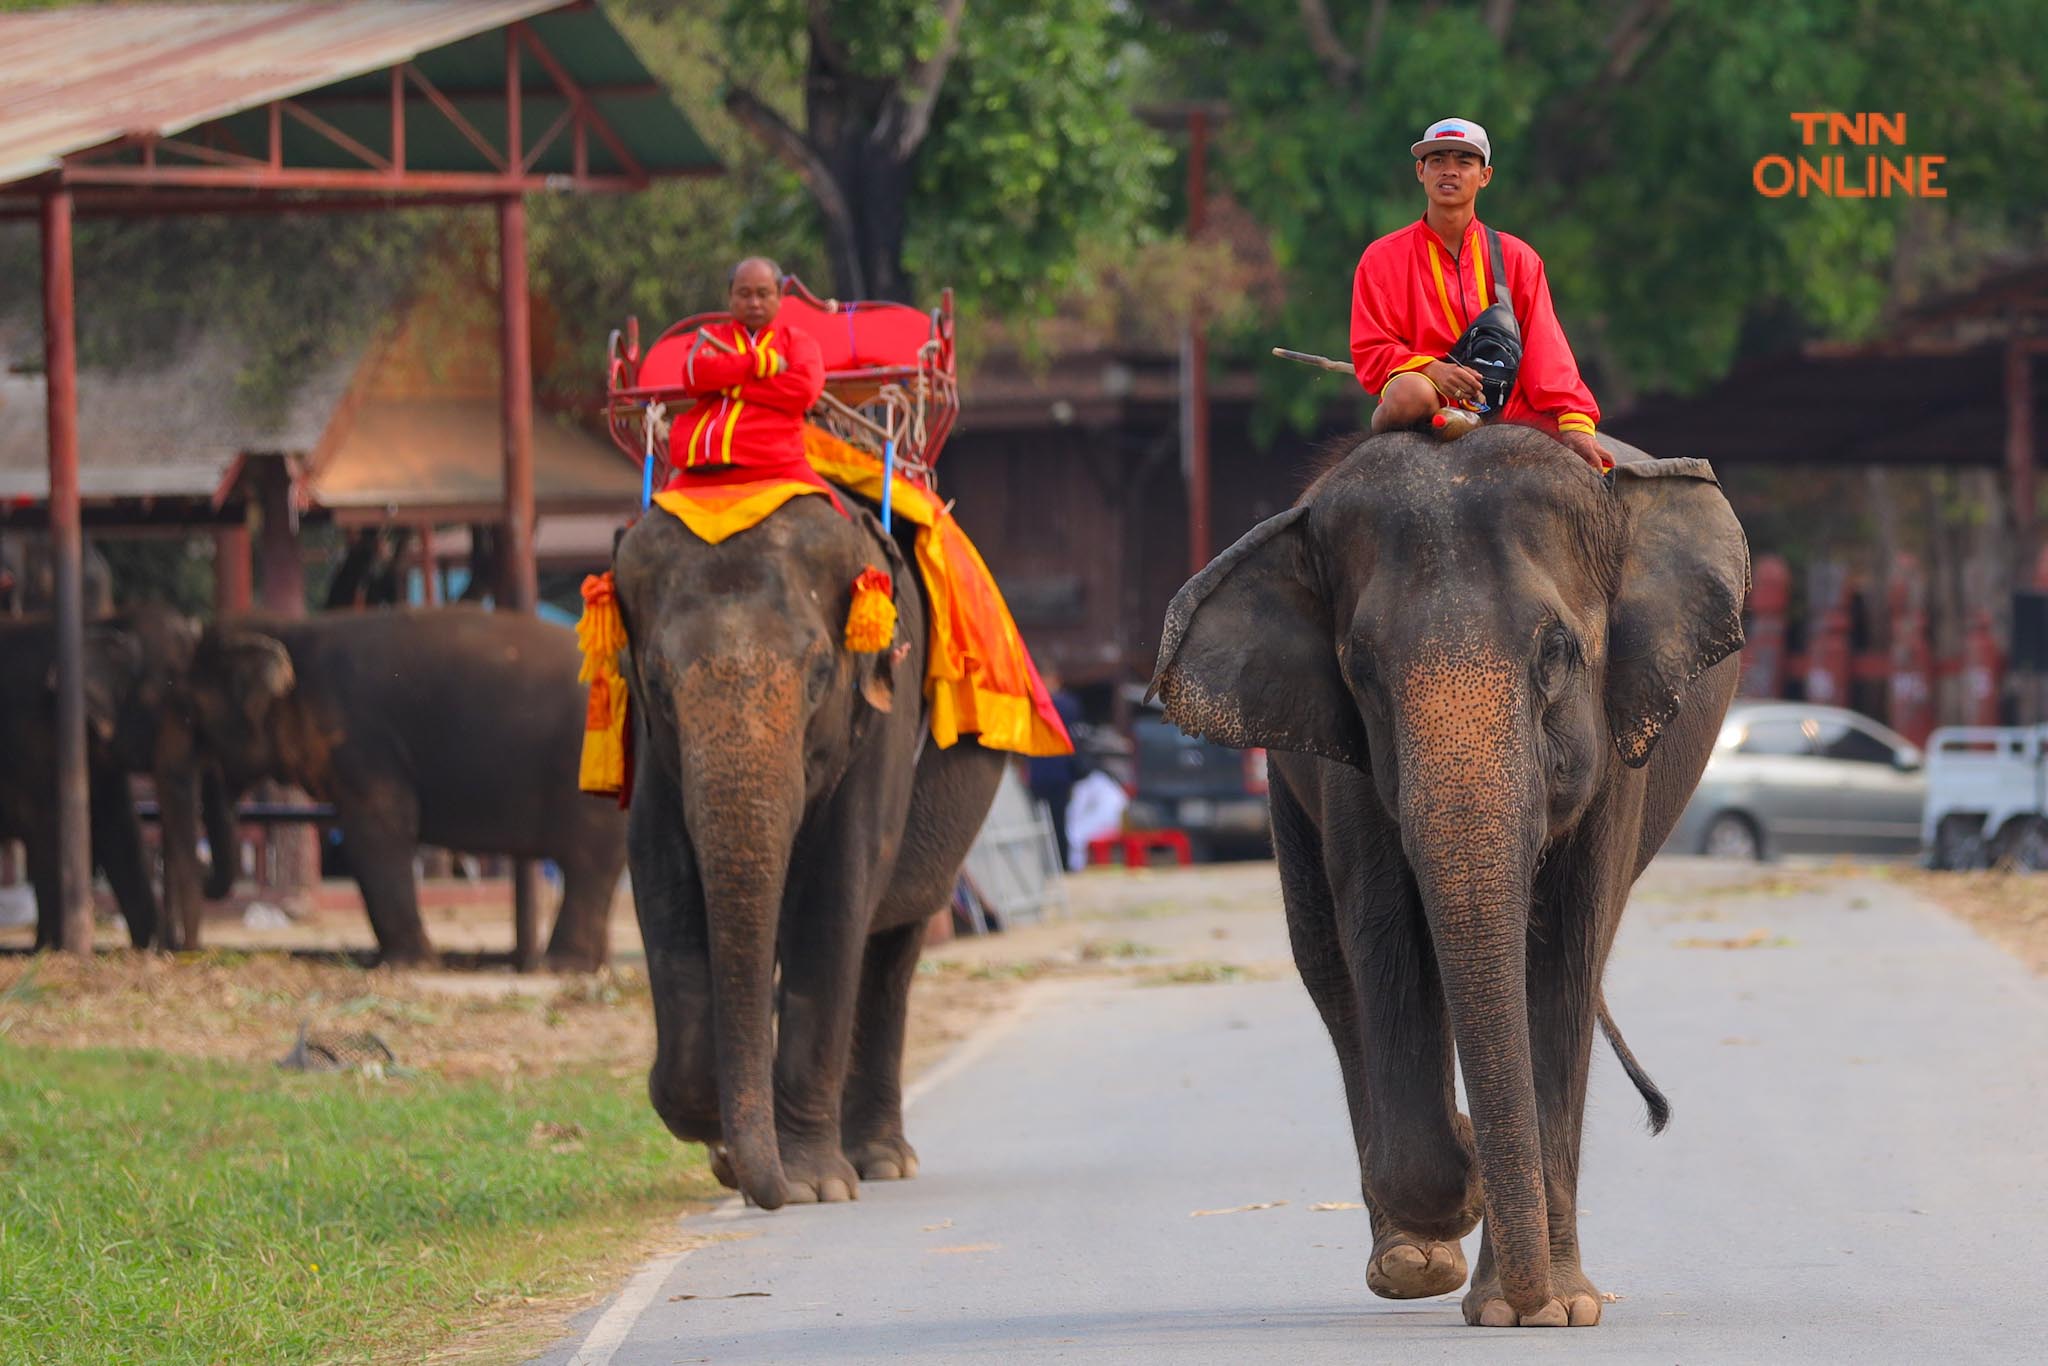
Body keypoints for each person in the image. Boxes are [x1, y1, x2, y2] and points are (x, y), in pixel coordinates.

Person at [1350, 118, 1609, 471]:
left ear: (1485, 176)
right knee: (1406, 395)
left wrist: (1575, 422)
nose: (1449, 171)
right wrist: (1434, 369)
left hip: (1509, 408)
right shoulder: (1381, 258)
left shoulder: (1518, 258)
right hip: (1428, 397)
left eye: (1464, 161)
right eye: (1438, 160)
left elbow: (1546, 352)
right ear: (1420, 172)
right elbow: (1371, 350)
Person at [669, 256, 826, 477]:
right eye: (744, 294)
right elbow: (695, 376)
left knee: (834, 508)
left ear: (780, 297)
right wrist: (762, 362)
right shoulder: (711, 335)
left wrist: (727, 385)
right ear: (730, 297)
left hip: (777, 460)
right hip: (703, 460)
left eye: (763, 294)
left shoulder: (797, 341)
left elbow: (804, 390)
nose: (754, 303)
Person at [1027, 672, 1086, 872]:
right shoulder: (1037, 705)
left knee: (1059, 822)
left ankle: (1062, 863)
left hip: (1058, 774)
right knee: (1039, 823)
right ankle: (1046, 865)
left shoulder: (1063, 704)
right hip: (1039, 774)